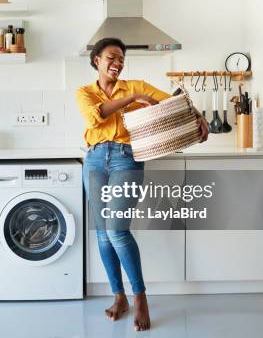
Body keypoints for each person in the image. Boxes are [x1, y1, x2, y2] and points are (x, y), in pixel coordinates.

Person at [76, 37, 208, 331]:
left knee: (116, 230)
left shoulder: (138, 85)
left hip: (126, 158)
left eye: (122, 58)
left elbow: (175, 103)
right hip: (95, 159)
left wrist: (199, 116)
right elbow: (95, 117)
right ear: (97, 60)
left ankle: (140, 298)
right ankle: (118, 296)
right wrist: (131, 99)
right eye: (112, 57)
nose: (118, 63)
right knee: (102, 234)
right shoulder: (85, 92)